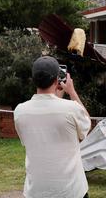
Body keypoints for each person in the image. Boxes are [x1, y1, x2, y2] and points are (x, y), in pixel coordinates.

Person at [14, 56, 91, 198]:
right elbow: (86, 122)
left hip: (36, 190)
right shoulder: (71, 109)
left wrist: (57, 97)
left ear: (33, 80)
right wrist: (72, 93)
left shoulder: (20, 111)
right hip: (71, 190)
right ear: (56, 80)